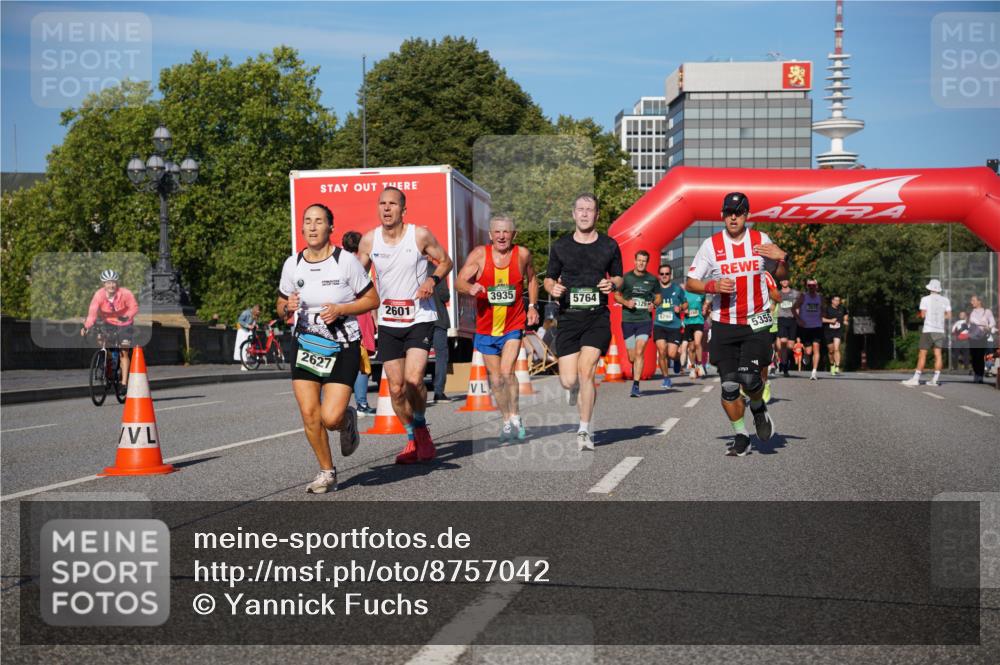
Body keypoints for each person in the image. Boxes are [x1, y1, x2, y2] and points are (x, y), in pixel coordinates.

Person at [277, 204, 380, 493]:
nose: (312, 227)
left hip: (342, 344)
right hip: (306, 343)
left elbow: (373, 300)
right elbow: (282, 304)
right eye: (307, 221)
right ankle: (326, 471)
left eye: (318, 221)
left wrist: (341, 308)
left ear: (330, 228)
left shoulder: (345, 262)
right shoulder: (292, 263)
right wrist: (288, 307)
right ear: (302, 228)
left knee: (330, 417)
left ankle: (347, 419)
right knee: (310, 413)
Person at [685, 192, 788, 457]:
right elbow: (690, 282)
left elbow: (781, 277)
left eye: (739, 212)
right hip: (724, 322)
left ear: (747, 215)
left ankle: (758, 407)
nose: (734, 216)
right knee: (729, 387)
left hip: (757, 320)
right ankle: (741, 434)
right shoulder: (711, 245)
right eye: (729, 212)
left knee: (750, 378)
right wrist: (712, 285)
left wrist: (782, 259)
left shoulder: (760, 240)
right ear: (723, 215)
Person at [358, 186, 453, 464]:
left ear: (403, 209)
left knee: (413, 380)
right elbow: (356, 276)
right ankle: (412, 437)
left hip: (419, 318)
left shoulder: (419, 235)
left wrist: (431, 281)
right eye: (382, 204)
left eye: (393, 204)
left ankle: (421, 425)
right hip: (388, 322)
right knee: (396, 389)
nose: (386, 209)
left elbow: (445, 262)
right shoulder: (369, 241)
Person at [544, 194, 623, 451]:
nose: (585, 214)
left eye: (590, 210)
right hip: (568, 318)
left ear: (597, 215)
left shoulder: (609, 246)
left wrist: (612, 284)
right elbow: (548, 278)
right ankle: (574, 389)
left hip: (597, 316)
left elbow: (620, 278)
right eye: (581, 209)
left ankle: (584, 430)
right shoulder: (560, 246)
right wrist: (552, 288)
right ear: (573, 214)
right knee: (569, 380)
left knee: (587, 369)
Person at [457, 215, 539, 441]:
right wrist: (470, 287)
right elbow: (458, 281)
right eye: (497, 232)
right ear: (490, 235)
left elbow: (532, 280)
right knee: (496, 379)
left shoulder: (522, 254)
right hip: (485, 327)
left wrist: (532, 306)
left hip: (513, 323)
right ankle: (506, 419)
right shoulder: (479, 255)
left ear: (514, 234)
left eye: (506, 232)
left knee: (506, 372)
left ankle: (516, 416)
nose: (502, 236)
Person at [81, 269, 138, 387]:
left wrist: (126, 316)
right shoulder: (99, 295)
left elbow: (134, 307)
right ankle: (107, 364)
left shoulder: (125, 293)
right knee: (101, 339)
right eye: (108, 283)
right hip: (108, 323)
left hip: (125, 323)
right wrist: (86, 327)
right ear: (104, 284)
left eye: (113, 282)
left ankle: (124, 383)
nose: (111, 285)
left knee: (124, 351)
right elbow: (92, 313)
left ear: (117, 283)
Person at [342, 231, 377, 416]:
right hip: (360, 313)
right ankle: (361, 404)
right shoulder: (361, 263)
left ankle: (329, 402)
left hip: (341, 312)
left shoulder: (337, 261)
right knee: (361, 361)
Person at [615, 250, 657, 397]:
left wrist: (654, 304)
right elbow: (616, 296)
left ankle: (636, 385)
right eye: (639, 260)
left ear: (647, 262)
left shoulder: (652, 279)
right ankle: (635, 372)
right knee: (632, 356)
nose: (641, 263)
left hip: (644, 320)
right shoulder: (626, 278)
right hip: (628, 320)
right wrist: (626, 302)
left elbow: (658, 297)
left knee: (640, 352)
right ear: (634, 261)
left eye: (644, 261)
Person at [902, 279, 951, 387]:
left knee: (922, 354)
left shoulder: (925, 299)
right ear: (938, 289)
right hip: (940, 330)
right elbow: (949, 315)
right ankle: (935, 379)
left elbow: (923, 315)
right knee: (938, 355)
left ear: (929, 288)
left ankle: (916, 378)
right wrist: (939, 317)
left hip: (928, 330)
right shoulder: (945, 300)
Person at [652, 263, 686, 389]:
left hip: (674, 326)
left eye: (667, 274)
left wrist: (681, 307)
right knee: (662, 351)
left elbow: (686, 304)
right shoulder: (655, 290)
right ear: (658, 275)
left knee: (671, 354)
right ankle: (666, 378)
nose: (664, 276)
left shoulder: (677, 289)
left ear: (670, 275)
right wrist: (651, 306)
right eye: (662, 274)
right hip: (659, 325)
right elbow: (651, 303)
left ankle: (676, 359)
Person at [793, 278, 824, 380]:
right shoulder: (803, 296)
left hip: (817, 327)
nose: (811, 287)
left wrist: (823, 316)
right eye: (809, 285)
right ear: (807, 286)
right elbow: (793, 309)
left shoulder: (820, 297)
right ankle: (806, 355)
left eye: (813, 285)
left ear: (816, 286)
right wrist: (799, 320)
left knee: (816, 348)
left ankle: (814, 372)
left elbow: (823, 309)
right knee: (808, 352)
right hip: (805, 327)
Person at [430, 275, 452, 404]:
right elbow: (445, 296)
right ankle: (438, 392)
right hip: (438, 320)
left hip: (420, 321)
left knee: (417, 355)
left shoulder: (411, 267)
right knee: (441, 356)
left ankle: (414, 391)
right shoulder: (438, 273)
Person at [967, 294, 997, 384]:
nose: (971, 302)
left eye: (973, 300)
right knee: (974, 357)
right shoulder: (971, 311)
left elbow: (993, 322)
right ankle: (976, 373)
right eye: (971, 300)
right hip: (972, 337)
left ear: (979, 301)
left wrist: (988, 327)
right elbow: (969, 324)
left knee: (980, 356)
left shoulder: (987, 311)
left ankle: (980, 375)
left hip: (982, 337)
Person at [684, 280, 708, 379]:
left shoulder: (702, 294)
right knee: (691, 347)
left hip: (699, 321)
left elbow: (704, 304)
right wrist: (683, 309)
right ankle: (693, 368)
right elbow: (681, 305)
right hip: (688, 322)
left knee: (698, 343)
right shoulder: (684, 293)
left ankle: (700, 365)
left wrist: (704, 309)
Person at [775, 278, 799, 377]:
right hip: (782, 319)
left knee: (790, 346)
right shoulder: (777, 293)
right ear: (780, 282)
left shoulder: (795, 293)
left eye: (786, 280)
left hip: (792, 320)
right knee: (783, 342)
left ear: (789, 282)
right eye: (783, 280)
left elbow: (799, 305)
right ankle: (784, 365)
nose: (784, 282)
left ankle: (784, 361)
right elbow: (772, 305)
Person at [822, 295, 848, 376]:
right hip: (828, 331)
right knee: (831, 351)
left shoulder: (842, 308)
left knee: (837, 349)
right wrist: (830, 321)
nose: (837, 302)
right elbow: (821, 319)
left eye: (838, 300)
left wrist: (845, 320)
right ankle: (832, 365)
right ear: (832, 301)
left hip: (838, 331)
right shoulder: (827, 309)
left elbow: (845, 315)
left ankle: (837, 367)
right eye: (835, 300)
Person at [234, 304, 261, 370]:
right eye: (257, 311)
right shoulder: (246, 312)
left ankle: (246, 364)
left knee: (249, 348)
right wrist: (248, 326)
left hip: (248, 332)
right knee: (244, 348)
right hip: (242, 331)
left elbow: (253, 322)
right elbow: (240, 321)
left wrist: (255, 325)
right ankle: (243, 365)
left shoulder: (254, 315)